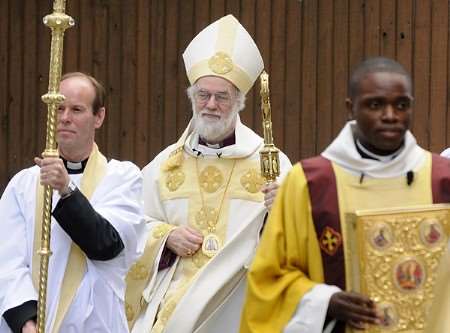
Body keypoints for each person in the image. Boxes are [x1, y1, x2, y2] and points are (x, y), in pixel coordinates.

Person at [240, 57, 450, 333]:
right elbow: (268, 281)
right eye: (375, 104)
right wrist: (324, 302)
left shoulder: (442, 179)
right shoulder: (310, 183)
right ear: (351, 108)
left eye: (401, 105)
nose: (390, 115)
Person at [125, 14, 291, 333]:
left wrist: (282, 209)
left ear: (239, 103)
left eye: (222, 96)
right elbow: (131, 226)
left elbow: (294, 239)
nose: (210, 105)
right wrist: (165, 237)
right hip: (174, 303)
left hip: (239, 302)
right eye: (203, 95)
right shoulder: (165, 166)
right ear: (193, 98)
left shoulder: (270, 164)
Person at [0, 72, 145, 333]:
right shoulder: (23, 185)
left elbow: (107, 245)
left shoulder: (123, 178)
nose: (65, 118)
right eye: (59, 109)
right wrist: (26, 322)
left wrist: (66, 189)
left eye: (77, 109)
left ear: (99, 117)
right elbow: (7, 262)